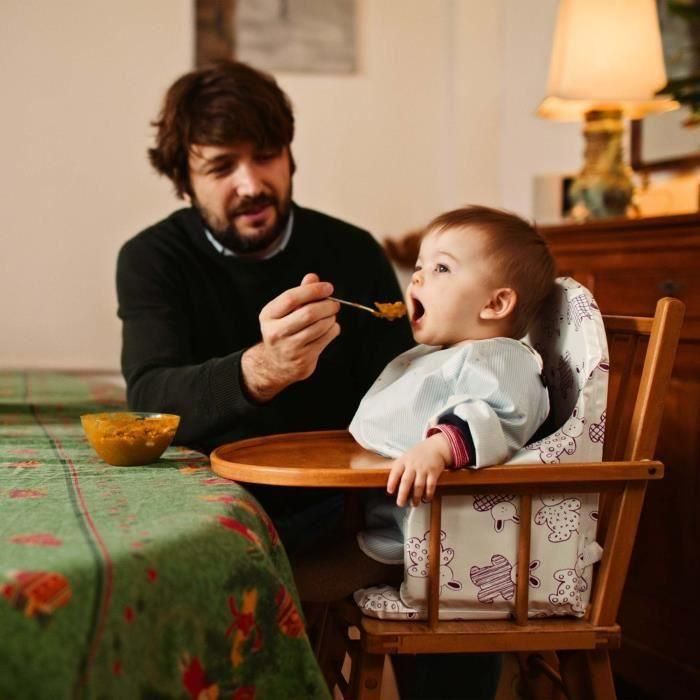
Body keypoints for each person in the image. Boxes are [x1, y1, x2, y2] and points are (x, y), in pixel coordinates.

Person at [116, 60, 413, 545]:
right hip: (206, 510)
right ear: (184, 182)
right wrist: (260, 370)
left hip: (342, 510)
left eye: (266, 155)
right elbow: (150, 401)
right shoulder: (151, 259)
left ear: (290, 157)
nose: (251, 185)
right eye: (221, 167)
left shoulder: (354, 251)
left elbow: (403, 390)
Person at [293, 205, 556, 600]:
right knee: (277, 553)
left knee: (291, 584)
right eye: (419, 265)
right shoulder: (438, 356)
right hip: (381, 520)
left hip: (424, 544)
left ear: (496, 304)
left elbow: (497, 415)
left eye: (441, 269)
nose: (417, 276)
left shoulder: (500, 358)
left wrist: (438, 447)